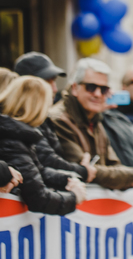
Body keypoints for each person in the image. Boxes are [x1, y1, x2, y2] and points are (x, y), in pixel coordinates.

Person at [48, 58, 133, 191]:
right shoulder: (59, 119)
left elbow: (113, 164)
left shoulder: (95, 118)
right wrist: (132, 177)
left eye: (104, 89)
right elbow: (81, 170)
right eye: (91, 87)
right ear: (75, 88)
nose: (98, 94)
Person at [0, 76, 86, 214]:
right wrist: (74, 197)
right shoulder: (12, 140)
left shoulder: (18, 134)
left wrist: (68, 179)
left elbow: (36, 171)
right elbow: (38, 198)